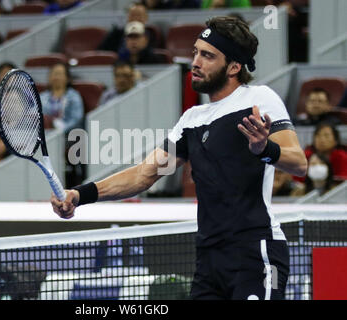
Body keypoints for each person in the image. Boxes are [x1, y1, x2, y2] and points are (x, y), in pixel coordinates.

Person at [51, 16, 308, 300]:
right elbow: (143, 175)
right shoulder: (191, 121)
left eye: (208, 55)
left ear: (234, 66)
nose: (196, 62)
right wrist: (79, 194)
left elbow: (299, 162)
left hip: (255, 251)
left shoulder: (258, 99)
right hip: (209, 261)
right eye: (196, 52)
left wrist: (265, 149)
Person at [39, 63, 84, 133]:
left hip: (68, 135)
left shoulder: (73, 96)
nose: (56, 77)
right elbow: (34, 115)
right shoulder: (42, 96)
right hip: (45, 134)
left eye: (59, 74)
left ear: (67, 78)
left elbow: (77, 119)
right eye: (54, 74)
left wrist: (62, 129)